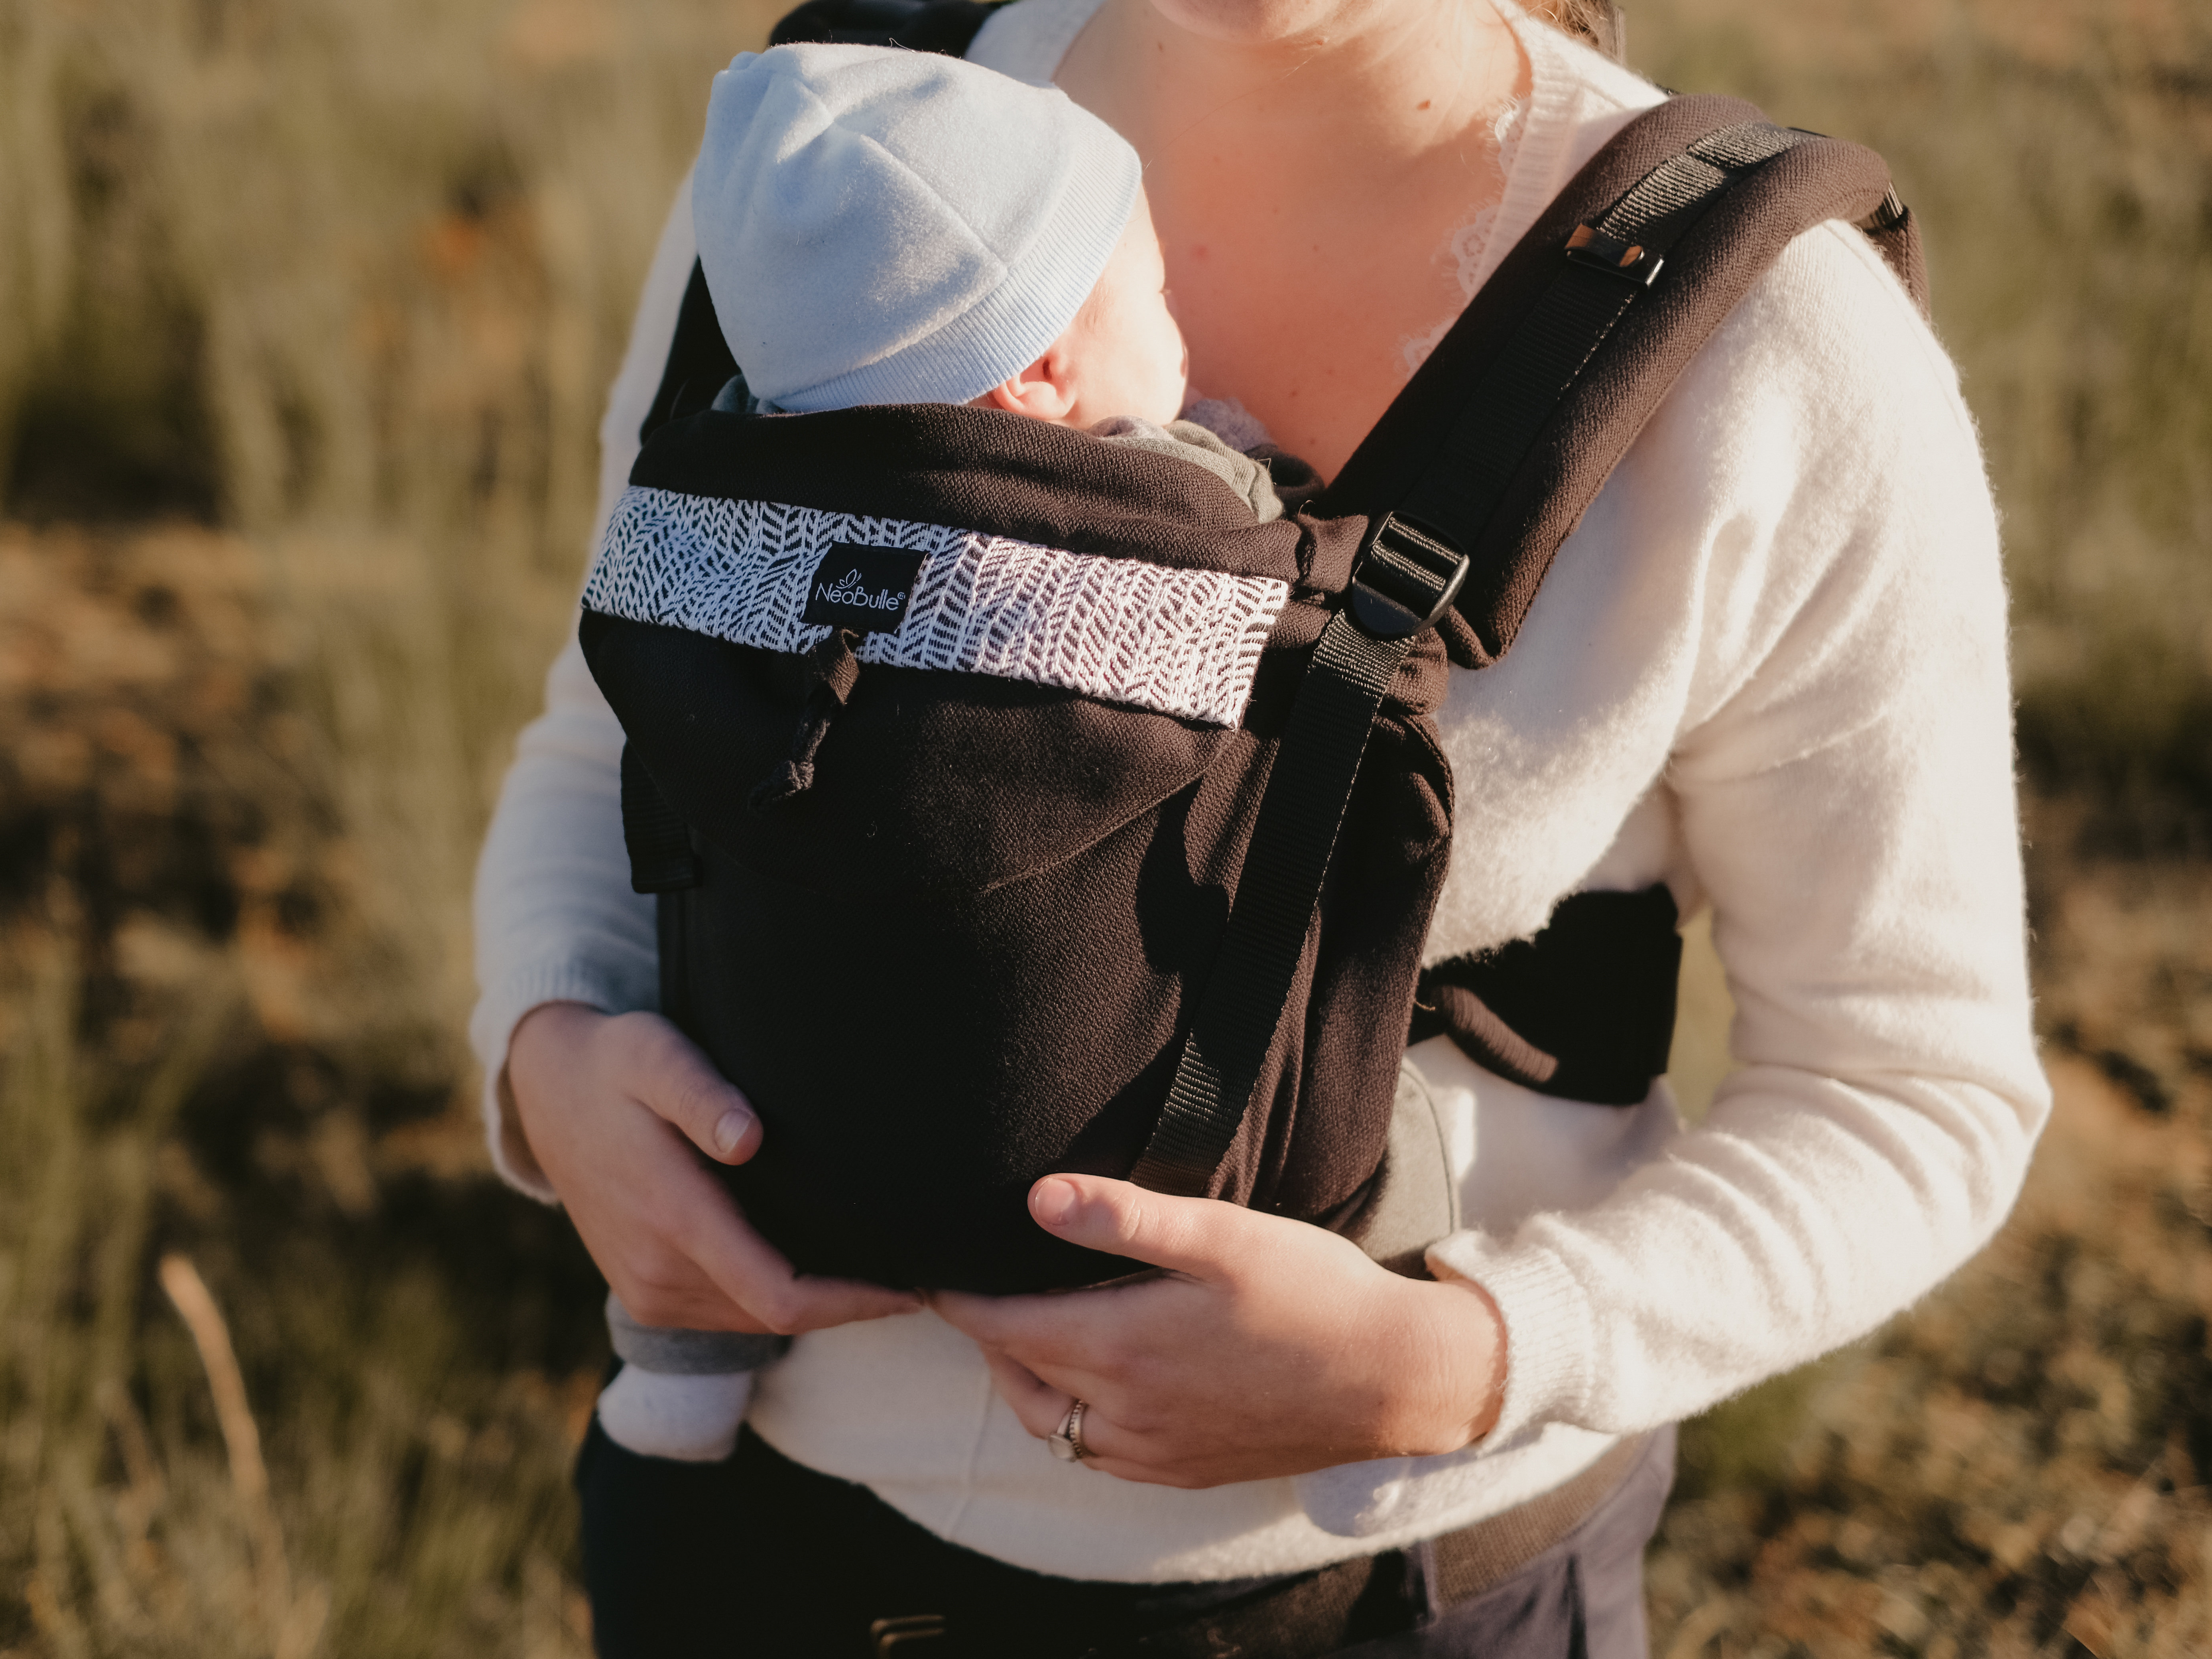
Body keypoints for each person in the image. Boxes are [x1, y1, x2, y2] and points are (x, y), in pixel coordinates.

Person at [469, 0, 2051, 1651]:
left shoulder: (1773, 336)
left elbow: (1910, 1092)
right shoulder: (851, 154)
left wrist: (1465, 1358)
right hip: (758, 1539)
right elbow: (610, 740)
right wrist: (547, 1051)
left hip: (1391, 1588)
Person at [594, 39, 1288, 1466]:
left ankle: (676, 1366)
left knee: (736, 1061)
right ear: (1043, 368)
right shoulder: (1174, 527)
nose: (1180, 343)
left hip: (768, 1160)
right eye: (1151, 300)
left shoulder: (724, 499)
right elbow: (1265, 534)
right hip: (1108, 1183)